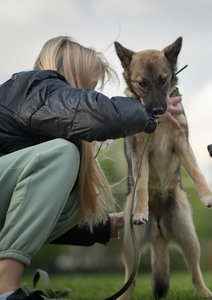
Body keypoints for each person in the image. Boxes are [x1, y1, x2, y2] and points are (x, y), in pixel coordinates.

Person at [0, 36, 183, 300]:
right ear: (72, 74)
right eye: (91, 85)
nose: (93, 92)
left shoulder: (43, 116)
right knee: (61, 156)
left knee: (78, 201)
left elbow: (27, 215)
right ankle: (5, 289)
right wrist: (145, 110)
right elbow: (91, 112)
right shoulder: (35, 86)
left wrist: (104, 226)